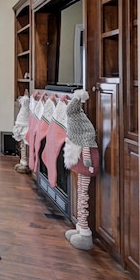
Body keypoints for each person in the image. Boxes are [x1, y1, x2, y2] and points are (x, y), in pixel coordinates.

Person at [63, 89, 100, 250]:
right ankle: (80, 226)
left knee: (83, 195)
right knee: (81, 194)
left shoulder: (83, 128)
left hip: (87, 163)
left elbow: (87, 143)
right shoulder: (79, 123)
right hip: (80, 159)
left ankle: (84, 232)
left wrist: (87, 160)